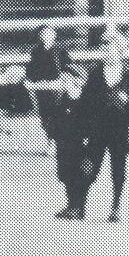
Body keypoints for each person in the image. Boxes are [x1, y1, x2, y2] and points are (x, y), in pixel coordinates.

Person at [82, 35, 129, 222]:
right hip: (97, 126)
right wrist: (85, 127)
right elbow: (85, 101)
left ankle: (116, 207)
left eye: (111, 50)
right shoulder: (95, 73)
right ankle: (80, 205)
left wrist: (128, 100)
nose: (108, 53)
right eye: (104, 50)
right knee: (90, 165)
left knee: (118, 167)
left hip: (120, 126)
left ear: (120, 52)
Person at [53, 66, 96, 219]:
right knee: (66, 175)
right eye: (63, 79)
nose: (64, 82)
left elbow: (90, 121)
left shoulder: (84, 99)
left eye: (67, 79)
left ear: (76, 80)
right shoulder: (62, 98)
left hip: (79, 143)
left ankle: (79, 207)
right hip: (64, 143)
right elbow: (55, 119)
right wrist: (54, 135)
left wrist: (87, 138)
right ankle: (71, 205)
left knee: (80, 174)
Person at [24, 24, 67, 146]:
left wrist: (62, 79)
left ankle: (55, 140)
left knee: (57, 112)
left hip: (57, 85)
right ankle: (49, 138)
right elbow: (31, 69)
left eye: (49, 34)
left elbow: (67, 67)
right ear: (41, 36)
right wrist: (33, 80)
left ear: (54, 36)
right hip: (41, 86)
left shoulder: (60, 51)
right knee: (44, 113)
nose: (47, 37)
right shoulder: (36, 51)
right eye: (44, 34)